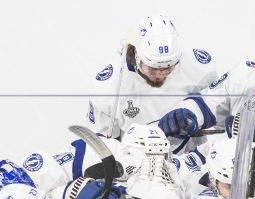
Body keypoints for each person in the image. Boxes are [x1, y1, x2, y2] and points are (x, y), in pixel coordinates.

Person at [88, 14, 219, 145]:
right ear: (136, 53)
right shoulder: (109, 87)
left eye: (168, 68)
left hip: (191, 157)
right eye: (153, 68)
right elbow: (104, 144)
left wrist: (196, 113)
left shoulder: (198, 66)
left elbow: (218, 103)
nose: (160, 74)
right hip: (136, 160)